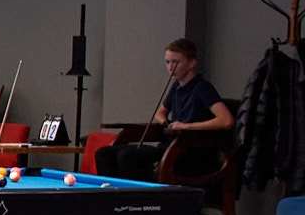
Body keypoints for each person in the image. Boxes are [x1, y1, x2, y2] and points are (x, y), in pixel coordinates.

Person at [96, 38, 236, 183]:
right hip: (170, 145)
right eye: (167, 62)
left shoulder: (202, 88)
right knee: (103, 153)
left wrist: (187, 126)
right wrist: (165, 122)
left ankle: (134, 196)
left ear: (191, 63)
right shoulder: (176, 87)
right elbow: (160, 113)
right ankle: (111, 193)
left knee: (127, 156)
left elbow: (226, 120)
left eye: (176, 62)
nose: (170, 67)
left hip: (189, 149)